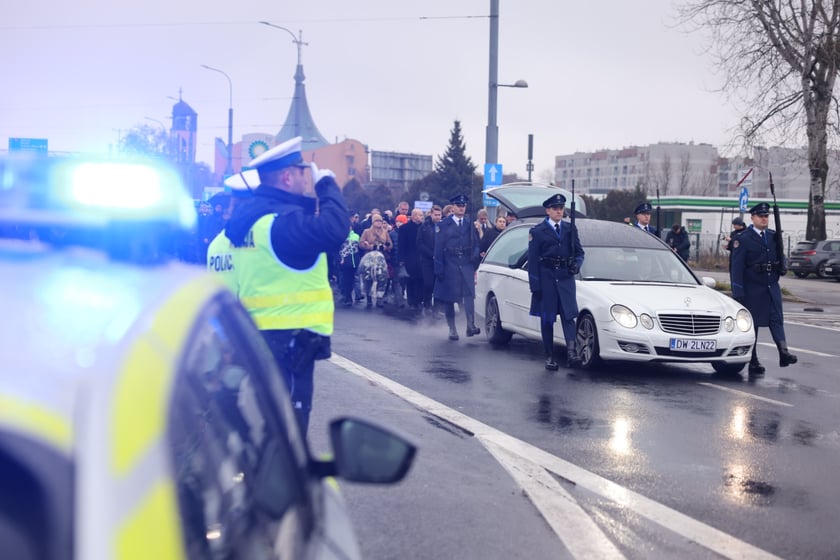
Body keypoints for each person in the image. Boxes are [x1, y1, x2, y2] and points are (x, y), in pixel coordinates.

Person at [209, 136, 347, 435]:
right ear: (287, 176)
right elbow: (334, 231)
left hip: (255, 336)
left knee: (267, 424)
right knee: (289, 433)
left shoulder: (249, 224)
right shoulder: (279, 223)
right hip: (291, 342)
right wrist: (328, 186)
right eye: (302, 172)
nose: (307, 179)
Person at [730, 202, 797, 376]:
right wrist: (738, 292)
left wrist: (783, 265)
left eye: (766, 216)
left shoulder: (773, 236)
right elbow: (736, 268)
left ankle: (783, 352)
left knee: (777, 319)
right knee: (754, 326)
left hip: (771, 286)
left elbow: (780, 254)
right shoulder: (743, 238)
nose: (764, 219)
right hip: (753, 288)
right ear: (752, 218)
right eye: (761, 216)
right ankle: (753, 361)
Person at [528, 193, 585, 370]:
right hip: (546, 278)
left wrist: (576, 265)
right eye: (555, 209)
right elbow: (533, 259)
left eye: (561, 209)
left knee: (569, 317)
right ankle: (549, 356)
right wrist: (535, 285)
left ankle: (571, 353)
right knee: (547, 319)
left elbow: (580, 252)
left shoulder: (570, 229)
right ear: (548, 210)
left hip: (565, 277)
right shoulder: (537, 232)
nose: (559, 211)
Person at [434, 194, 481, 340]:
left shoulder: (469, 224)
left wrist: (474, 257)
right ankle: (452, 328)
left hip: (466, 263)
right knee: (449, 298)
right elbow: (438, 248)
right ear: (453, 207)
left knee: (469, 296)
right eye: (459, 206)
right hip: (450, 263)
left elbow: (476, 244)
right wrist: (439, 268)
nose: (462, 208)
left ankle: (470, 325)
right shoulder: (444, 225)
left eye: (464, 206)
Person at [417, 205, 442, 319]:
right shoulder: (424, 227)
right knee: (429, 283)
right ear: (431, 214)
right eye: (435, 215)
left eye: (439, 215)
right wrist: (431, 254)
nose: (437, 217)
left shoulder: (443, 227)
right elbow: (420, 244)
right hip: (427, 260)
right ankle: (427, 304)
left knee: (438, 285)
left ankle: (436, 308)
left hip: (440, 260)